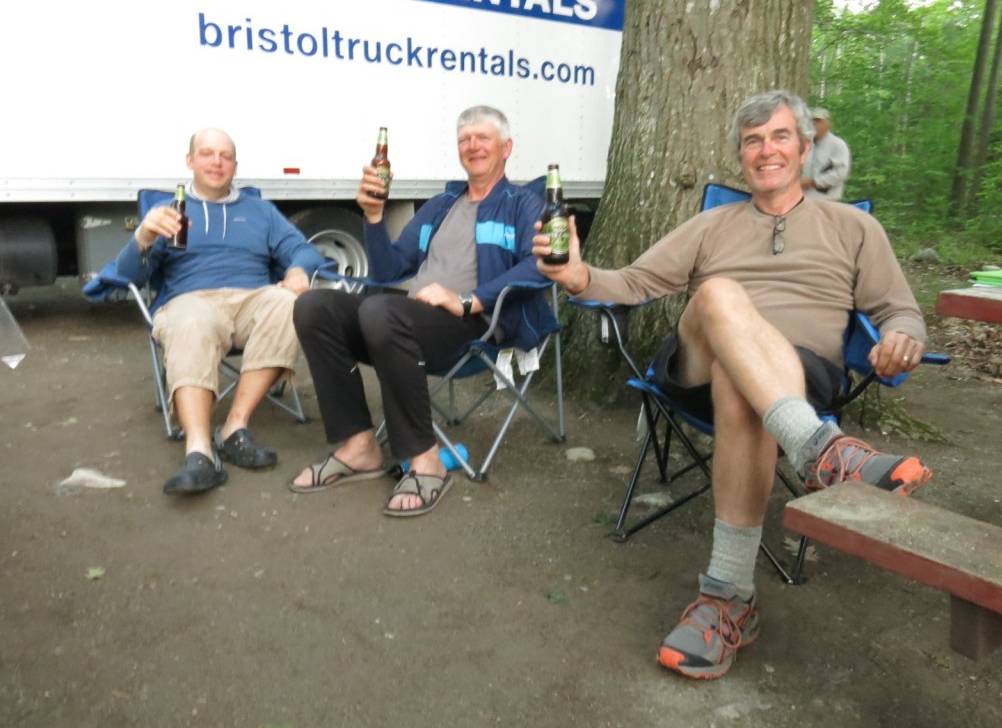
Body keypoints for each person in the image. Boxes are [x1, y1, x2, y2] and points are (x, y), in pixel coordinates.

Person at [533, 90, 931, 680]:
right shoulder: (711, 225)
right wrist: (577, 275)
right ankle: (824, 451)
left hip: (800, 375)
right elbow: (634, 282)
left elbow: (901, 312)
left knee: (741, 385)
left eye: (779, 137)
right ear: (741, 156)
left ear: (805, 148)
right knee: (719, 294)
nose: (766, 150)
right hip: (698, 365)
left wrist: (901, 339)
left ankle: (727, 599)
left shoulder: (854, 228)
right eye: (752, 141)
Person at [289, 105, 556, 516]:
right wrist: (374, 217)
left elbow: (542, 264)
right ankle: (359, 445)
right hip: (406, 325)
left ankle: (426, 459)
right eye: (465, 139)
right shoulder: (441, 205)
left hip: (476, 328)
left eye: (483, 138)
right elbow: (389, 269)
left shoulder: (524, 205)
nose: (473, 146)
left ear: (506, 148)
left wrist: (468, 300)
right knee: (314, 305)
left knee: (382, 311)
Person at [114, 128, 326, 496]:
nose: (216, 162)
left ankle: (233, 428)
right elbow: (129, 275)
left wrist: (297, 270)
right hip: (190, 300)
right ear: (190, 161)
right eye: (207, 153)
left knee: (288, 303)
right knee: (192, 320)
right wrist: (143, 237)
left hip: (251, 301)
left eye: (225, 156)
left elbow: (304, 250)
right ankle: (199, 452)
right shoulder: (170, 212)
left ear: (235, 166)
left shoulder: (261, 211)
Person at [800, 106, 851, 200]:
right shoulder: (805, 141)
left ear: (828, 124)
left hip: (826, 200)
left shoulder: (837, 145)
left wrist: (814, 182)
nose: (815, 124)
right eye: (813, 121)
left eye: (819, 121)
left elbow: (841, 172)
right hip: (802, 198)